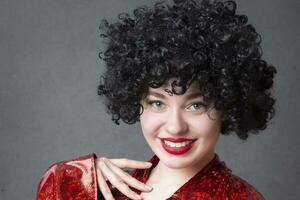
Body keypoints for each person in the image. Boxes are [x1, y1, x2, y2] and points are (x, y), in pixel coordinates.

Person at [36, 0, 277, 199]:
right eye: (158, 102)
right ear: (136, 102)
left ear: (227, 105)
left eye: (196, 105)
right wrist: (74, 179)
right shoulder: (106, 190)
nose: (174, 126)